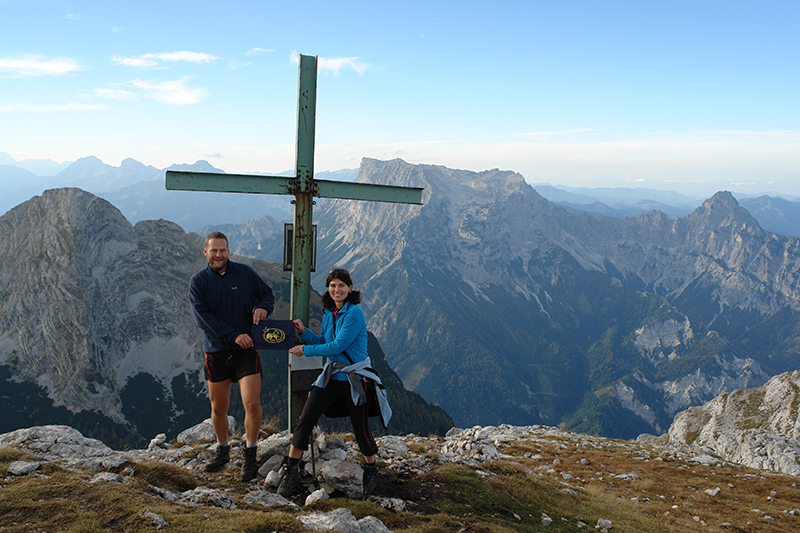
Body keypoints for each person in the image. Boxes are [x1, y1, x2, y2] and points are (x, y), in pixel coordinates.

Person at [278, 268, 390, 499]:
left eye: (341, 285)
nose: (336, 290)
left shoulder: (354, 313)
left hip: (355, 378)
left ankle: (371, 468)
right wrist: (305, 332)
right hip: (332, 377)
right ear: (328, 289)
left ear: (350, 289)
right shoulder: (330, 312)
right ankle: (291, 470)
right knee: (306, 419)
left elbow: (337, 346)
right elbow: (324, 341)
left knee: (360, 428)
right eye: (332, 286)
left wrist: (304, 350)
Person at [189, 231, 275, 481]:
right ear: (205, 252)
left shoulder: (245, 273)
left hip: (247, 351)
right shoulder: (198, 281)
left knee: (252, 403)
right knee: (218, 407)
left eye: (222, 250)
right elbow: (204, 318)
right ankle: (223, 449)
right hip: (216, 351)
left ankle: (250, 454)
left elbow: (267, 294)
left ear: (229, 251)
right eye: (213, 250)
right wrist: (233, 335)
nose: (218, 255)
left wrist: (263, 308)